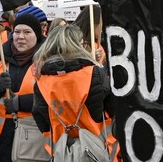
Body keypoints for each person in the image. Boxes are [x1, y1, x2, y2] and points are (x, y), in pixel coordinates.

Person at [32, 25, 112, 159]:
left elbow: (41, 119)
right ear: (76, 45)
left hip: (62, 150)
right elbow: (112, 107)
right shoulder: (94, 74)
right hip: (99, 146)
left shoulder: (41, 82)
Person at [0, 13, 45, 162]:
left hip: (32, 140)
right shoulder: (0, 59)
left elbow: (54, 98)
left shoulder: (47, 62)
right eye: (17, 31)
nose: (20, 36)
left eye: (27, 32)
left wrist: (20, 103)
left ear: (37, 35)